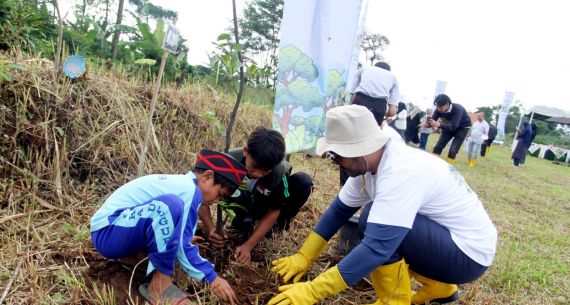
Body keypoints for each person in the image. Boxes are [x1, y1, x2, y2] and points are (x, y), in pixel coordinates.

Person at [268, 105, 497, 305]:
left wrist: (312, 291)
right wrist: (304, 256)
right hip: (445, 240)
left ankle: (394, 301)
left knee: (373, 221)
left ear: (358, 149)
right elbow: (339, 211)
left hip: (467, 256)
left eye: (336, 155)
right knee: (377, 220)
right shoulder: (367, 165)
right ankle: (439, 288)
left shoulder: (400, 172)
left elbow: (377, 248)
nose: (334, 161)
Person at [90, 149, 248, 305]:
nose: (216, 201)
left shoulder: (184, 186)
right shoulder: (189, 190)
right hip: (108, 232)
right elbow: (181, 244)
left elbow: (173, 234)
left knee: (171, 210)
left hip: (116, 231)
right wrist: (212, 278)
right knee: (170, 206)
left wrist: (180, 238)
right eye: (219, 194)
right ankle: (159, 286)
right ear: (207, 176)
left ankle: (134, 260)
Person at [199, 127, 314, 264]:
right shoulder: (227, 162)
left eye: (265, 170)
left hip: (263, 205)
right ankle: (240, 224)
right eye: (255, 166)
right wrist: (210, 228)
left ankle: (275, 227)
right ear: (246, 151)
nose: (258, 174)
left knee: (303, 181)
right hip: (239, 205)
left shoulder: (279, 173)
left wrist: (249, 245)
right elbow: (200, 192)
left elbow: (274, 210)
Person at [428, 94, 472, 164]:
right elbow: (432, 121)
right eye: (437, 107)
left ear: (447, 104)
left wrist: (439, 124)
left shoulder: (458, 109)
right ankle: (433, 164)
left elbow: (453, 126)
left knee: (453, 150)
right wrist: (427, 123)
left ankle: (449, 168)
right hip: (449, 126)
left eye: (440, 107)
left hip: (462, 128)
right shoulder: (438, 110)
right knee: (438, 146)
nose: (438, 109)